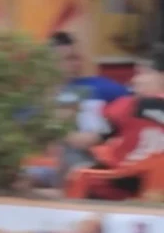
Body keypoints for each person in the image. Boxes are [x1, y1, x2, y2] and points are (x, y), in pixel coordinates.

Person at [61, 52, 164, 198]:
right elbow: (95, 137)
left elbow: (93, 138)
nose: (135, 80)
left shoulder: (131, 106)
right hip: (137, 180)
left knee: (80, 174)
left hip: (127, 180)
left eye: (143, 73)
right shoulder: (131, 106)